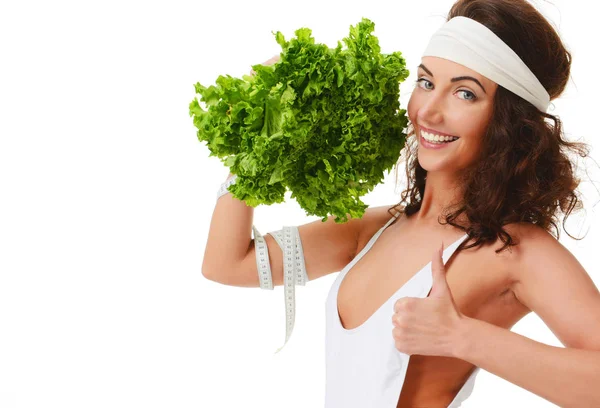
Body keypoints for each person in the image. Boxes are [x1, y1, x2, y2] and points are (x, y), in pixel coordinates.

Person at [202, 0, 600, 406]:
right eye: (426, 82)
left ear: (508, 120)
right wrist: (254, 132)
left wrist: (464, 337)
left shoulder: (515, 251)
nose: (427, 110)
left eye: (465, 93)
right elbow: (226, 264)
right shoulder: (375, 229)